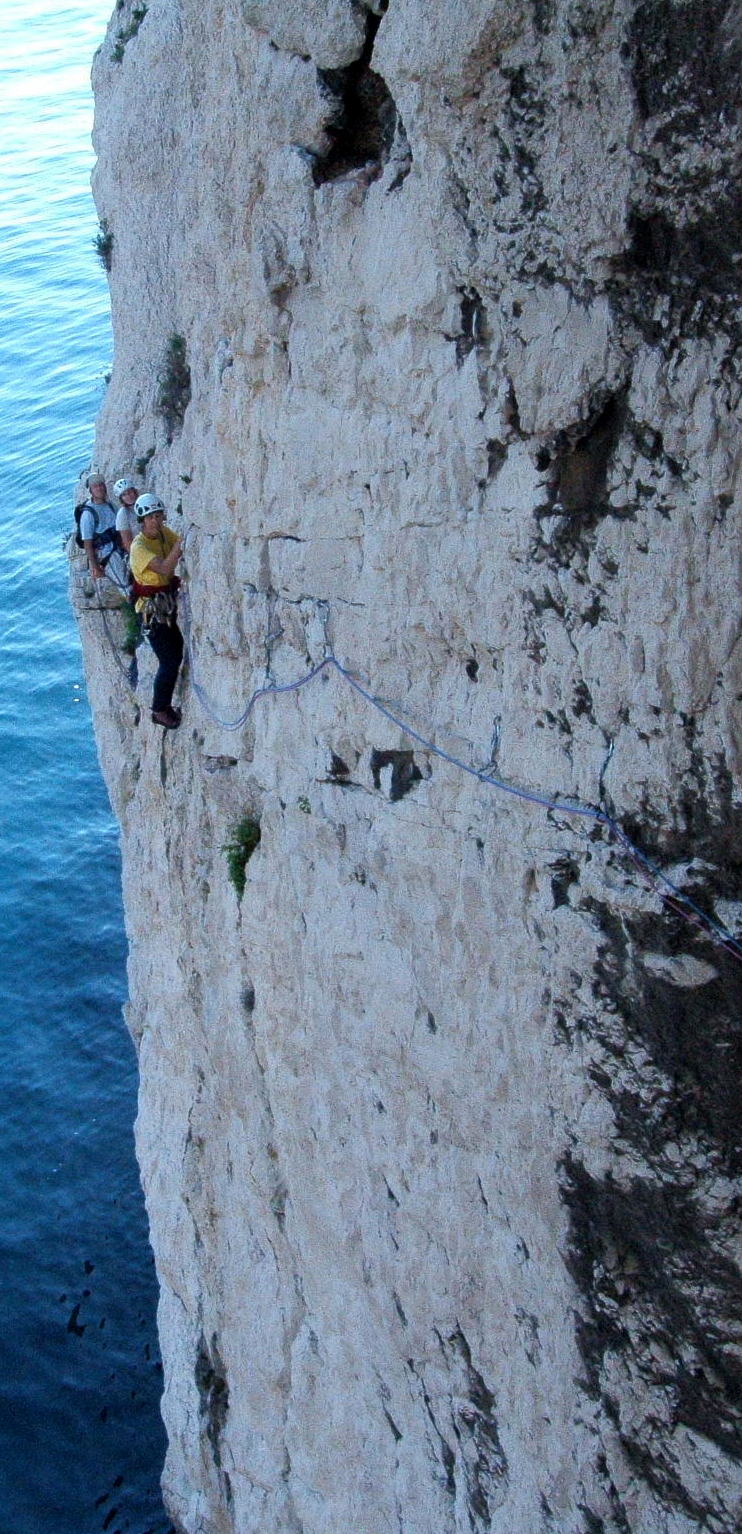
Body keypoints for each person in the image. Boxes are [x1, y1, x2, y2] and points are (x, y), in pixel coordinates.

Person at [129, 493, 184, 730]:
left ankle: (164, 707)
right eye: (151, 517)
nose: (156, 521)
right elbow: (163, 569)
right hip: (151, 611)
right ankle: (160, 710)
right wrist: (179, 547)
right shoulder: (138, 547)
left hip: (165, 604)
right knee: (169, 660)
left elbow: (177, 542)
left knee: (177, 652)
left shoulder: (163, 534)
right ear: (142, 520)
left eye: (158, 516)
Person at [78, 472, 128, 591]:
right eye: (95, 486)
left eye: (101, 485)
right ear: (91, 490)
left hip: (121, 548)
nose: (99, 488)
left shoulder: (110, 505)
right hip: (108, 555)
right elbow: (87, 543)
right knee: (126, 587)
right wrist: (95, 567)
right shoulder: (88, 514)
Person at [113, 477, 139, 553]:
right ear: (121, 498)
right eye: (124, 495)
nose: (129, 496)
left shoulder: (142, 504)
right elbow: (127, 541)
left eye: (130, 492)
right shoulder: (122, 514)